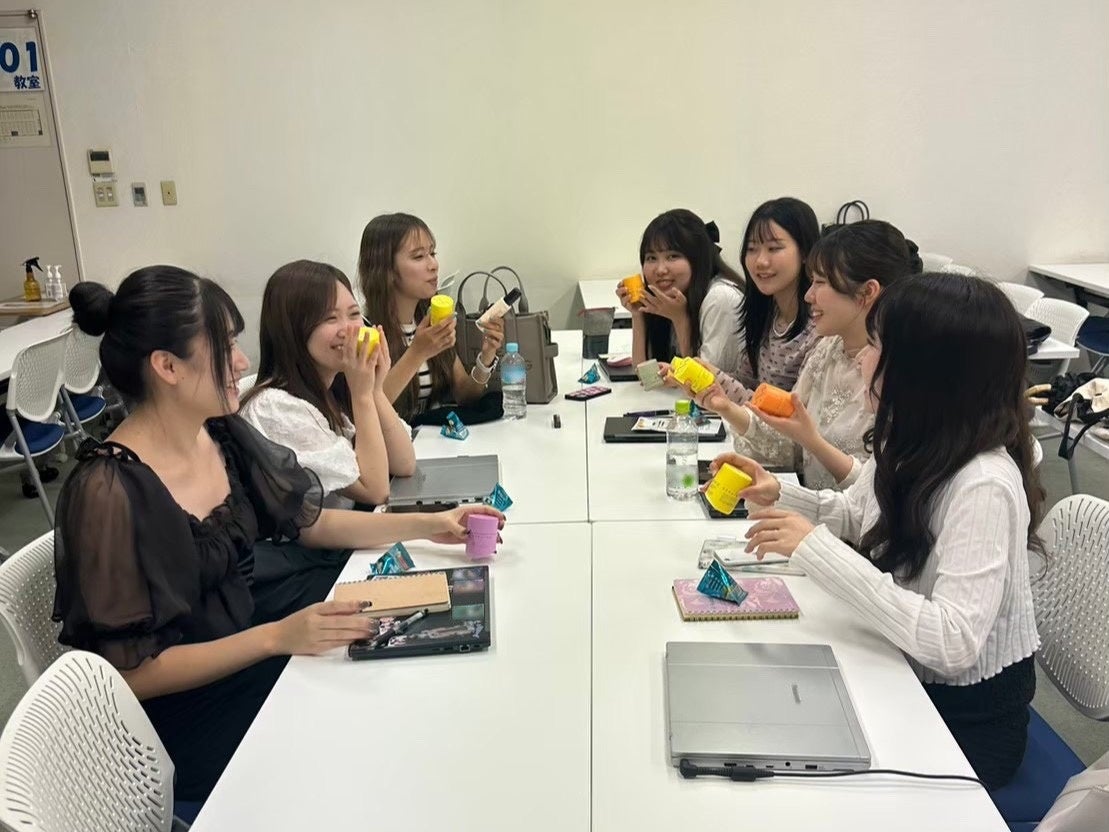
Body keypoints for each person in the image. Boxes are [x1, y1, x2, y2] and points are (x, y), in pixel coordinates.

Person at [52, 267, 505, 802]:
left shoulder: (218, 434)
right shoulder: (107, 490)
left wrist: (432, 524)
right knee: (379, 730)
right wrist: (276, 638)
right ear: (167, 366)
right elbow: (130, 674)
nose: (242, 363)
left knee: (409, 670)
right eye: (224, 347)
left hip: (256, 651)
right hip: (195, 718)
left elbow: (311, 522)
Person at [716, 273, 1042, 789]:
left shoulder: (983, 483)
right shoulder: (911, 437)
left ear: (920, 371)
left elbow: (953, 642)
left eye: (874, 347)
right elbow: (855, 512)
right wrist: (780, 493)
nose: (862, 360)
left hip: (961, 719)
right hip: (900, 669)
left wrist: (818, 551)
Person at [695, 220, 922, 489]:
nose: (808, 295)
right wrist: (726, 407)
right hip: (810, 509)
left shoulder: (901, 371)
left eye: (820, 282)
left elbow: (876, 494)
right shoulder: (828, 349)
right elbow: (791, 441)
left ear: (867, 291)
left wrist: (812, 442)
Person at [240, 259, 416, 510]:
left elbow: (405, 464)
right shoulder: (275, 407)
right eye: (330, 318)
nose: (349, 329)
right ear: (292, 330)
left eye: (354, 314)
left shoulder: (333, 388)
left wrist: (375, 390)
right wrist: (362, 395)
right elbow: (375, 490)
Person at [359, 213, 505, 420]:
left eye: (432, 253)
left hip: (435, 435)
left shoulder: (429, 318)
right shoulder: (366, 331)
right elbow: (369, 409)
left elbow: (465, 395)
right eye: (418, 257)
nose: (433, 265)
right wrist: (417, 353)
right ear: (386, 269)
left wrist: (487, 356)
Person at [700, 197, 821, 400]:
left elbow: (790, 410)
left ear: (805, 252)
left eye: (774, 248)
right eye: (752, 249)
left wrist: (715, 380)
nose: (760, 261)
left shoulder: (820, 326)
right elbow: (747, 381)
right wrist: (698, 375)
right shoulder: (766, 312)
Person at [615, 209, 745, 376]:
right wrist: (638, 313)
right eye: (651, 258)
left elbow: (705, 383)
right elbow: (646, 376)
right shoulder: (672, 298)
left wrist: (680, 319)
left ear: (698, 258)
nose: (660, 270)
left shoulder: (721, 298)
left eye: (673, 256)